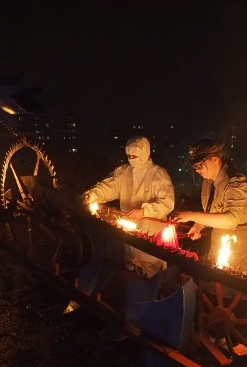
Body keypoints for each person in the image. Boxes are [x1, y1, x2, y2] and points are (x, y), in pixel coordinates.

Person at [66, 136, 175, 334]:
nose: (131, 157)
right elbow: (108, 186)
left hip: (149, 240)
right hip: (127, 234)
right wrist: (93, 194)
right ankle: (82, 294)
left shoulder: (158, 174)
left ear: (145, 153)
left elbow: (167, 203)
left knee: (143, 281)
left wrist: (144, 211)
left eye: (135, 154)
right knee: (102, 252)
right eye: (128, 154)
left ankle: (135, 326)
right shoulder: (123, 172)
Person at [173, 138, 247, 277]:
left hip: (245, 242)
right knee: (217, 286)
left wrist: (191, 215)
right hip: (220, 238)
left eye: (200, 164)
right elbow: (211, 211)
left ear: (215, 159)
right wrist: (199, 225)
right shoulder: (207, 182)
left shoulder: (236, 182)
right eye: (195, 166)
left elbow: (230, 219)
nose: (197, 170)